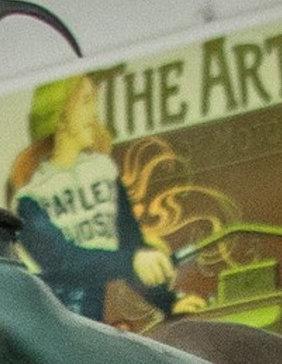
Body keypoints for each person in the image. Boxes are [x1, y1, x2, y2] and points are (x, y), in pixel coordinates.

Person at [9, 76, 176, 320]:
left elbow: (131, 247)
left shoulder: (102, 172)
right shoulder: (30, 199)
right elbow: (63, 261)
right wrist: (131, 261)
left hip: (100, 321)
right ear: (60, 116)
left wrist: (171, 305)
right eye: (86, 101)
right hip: (59, 324)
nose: (94, 112)